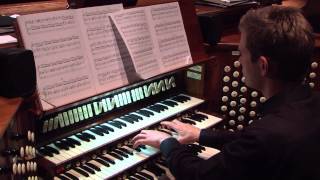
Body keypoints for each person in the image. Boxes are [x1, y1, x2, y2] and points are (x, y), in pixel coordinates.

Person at [132, 5, 320, 180]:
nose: (240, 60)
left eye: (242, 53)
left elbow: (199, 174)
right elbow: (251, 143)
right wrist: (201, 135)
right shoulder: (310, 104)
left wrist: (167, 143)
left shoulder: (266, 134)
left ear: (263, 65)